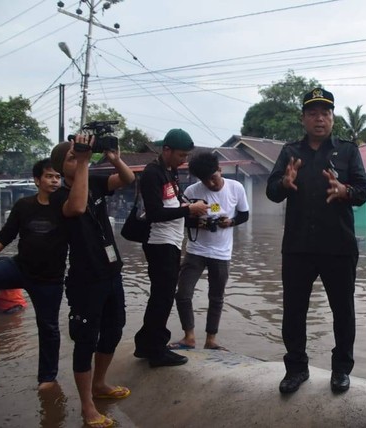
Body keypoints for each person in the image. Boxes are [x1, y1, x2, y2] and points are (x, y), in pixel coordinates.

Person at [266, 87, 366, 394]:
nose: (320, 119)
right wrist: (284, 182)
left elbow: (362, 191)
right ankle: (296, 369)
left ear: (333, 117)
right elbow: (272, 192)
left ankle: (341, 370)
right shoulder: (290, 152)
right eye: (313, 113)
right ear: (303, 119)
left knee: (343, 311)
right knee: (293, 311)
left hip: (339, 246)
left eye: (325, 113)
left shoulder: (348, 150)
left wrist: (345, 191)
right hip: (298, 246)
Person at [50, 135, 135, 428]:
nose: (80, 159)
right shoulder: (59, 196)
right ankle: (87, 406)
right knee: (85, 341)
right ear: (60, 168)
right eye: (72, 158)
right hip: (85, 280)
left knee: (114, 330)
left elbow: (126, 179)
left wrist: (113, 157)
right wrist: (84, 162)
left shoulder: (97, 183)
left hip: (111, 273)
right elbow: (76, 207)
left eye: (80, 156)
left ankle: (100, 384)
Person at [0, 158, 66, 390]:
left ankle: (47, 378)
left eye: (57, 177)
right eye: (49, 176)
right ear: (37, 180)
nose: (54, 180)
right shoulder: (24, 205)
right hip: (19, 267)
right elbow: (4, 237)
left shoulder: (65, 206)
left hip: (49, 280)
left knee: (49, 327)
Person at [133, 129, 208, 368]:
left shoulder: (170, 171)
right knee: (162, 297)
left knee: (162, 296)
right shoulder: (152, 173)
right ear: (166, 150)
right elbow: (155, 213)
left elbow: (172, 204)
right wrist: (189, 210)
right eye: (181, 155)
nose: (184, 161)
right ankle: (156, 351)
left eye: (186, 156)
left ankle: (146, 344)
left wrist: (192, 212)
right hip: (159, 242)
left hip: (173, 241)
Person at [169, 151, 249, 351]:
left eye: (213, 178)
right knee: (183, 293)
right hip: (196, 250)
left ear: (220, 170)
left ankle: (211, 340)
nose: (211, 184)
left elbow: (244, 214)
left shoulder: (236, 188)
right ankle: (189, 337)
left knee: (216, 297)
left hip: (221, 253)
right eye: (206, 181)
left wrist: (231, 222)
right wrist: (199, 222)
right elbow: (182, 218)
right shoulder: (192, 191)